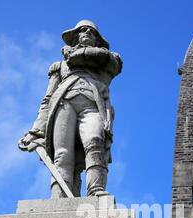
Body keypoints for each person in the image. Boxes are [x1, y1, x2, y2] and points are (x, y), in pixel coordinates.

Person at [18, 19, 122, 197]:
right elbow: (48, 99)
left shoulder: (104, 63)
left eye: (92, 32)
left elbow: (113, 62)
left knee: (95, 140)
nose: (87, 33)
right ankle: (59, 195)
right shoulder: (59, 67)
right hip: (64, 103)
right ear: (76, 36)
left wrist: (77, 56)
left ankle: (95, 190)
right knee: (62, 154)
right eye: (83, 30)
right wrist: (36, 130)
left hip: (92, 104)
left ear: (97, 40)